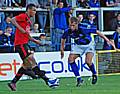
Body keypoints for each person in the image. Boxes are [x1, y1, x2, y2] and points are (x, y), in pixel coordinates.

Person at [8, 4, 59, 91]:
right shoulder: (23, 16)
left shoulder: (28, 21)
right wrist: (20, 28)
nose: (35, 12)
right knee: (31, 62)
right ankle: (47, 80)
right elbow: (12, 20)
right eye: (34, 10)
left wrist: (36, 41)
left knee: (26, 65)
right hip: (20, 45)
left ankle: (13, 82)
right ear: (28, 10)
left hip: (24, 44)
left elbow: (27, 35)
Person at [60, 17, 116, 87]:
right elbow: (63, 38)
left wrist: (107, 40)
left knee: (88, 61)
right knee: (70, 59)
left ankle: (94, 74)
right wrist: (62, 49)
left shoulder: (84, 28)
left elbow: (97, 32)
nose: (71, 27)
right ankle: (79, 78)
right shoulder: (68, 31)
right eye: (70, 25)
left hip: (89, 45)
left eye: (73, 25)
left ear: (77, 24)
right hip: (78, 45)